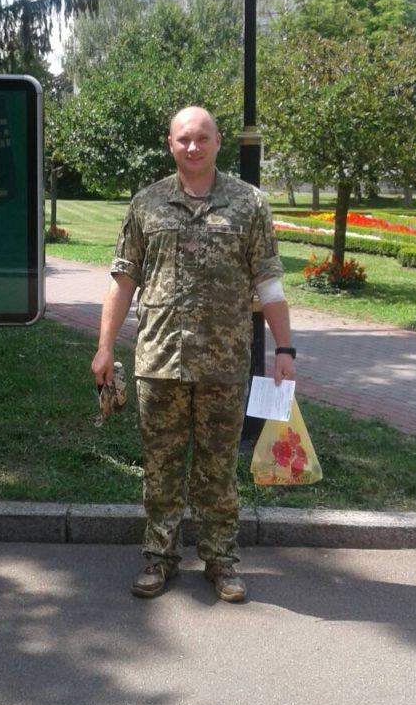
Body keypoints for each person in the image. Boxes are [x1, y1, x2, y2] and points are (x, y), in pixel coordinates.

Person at [91, 106, 296, 602]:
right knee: (160, 467)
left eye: (202, 138)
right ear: (170, 144)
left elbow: (269, 281)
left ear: (218, 142)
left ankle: (221, 561)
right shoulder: (146, 204)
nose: (192, 146)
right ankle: (159, 559)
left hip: (224, 364)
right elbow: (123, 279)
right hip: (159, 360)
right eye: (183, 138)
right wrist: (104, 347)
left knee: (217, 469)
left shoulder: (249, 203)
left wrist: (285, 348)